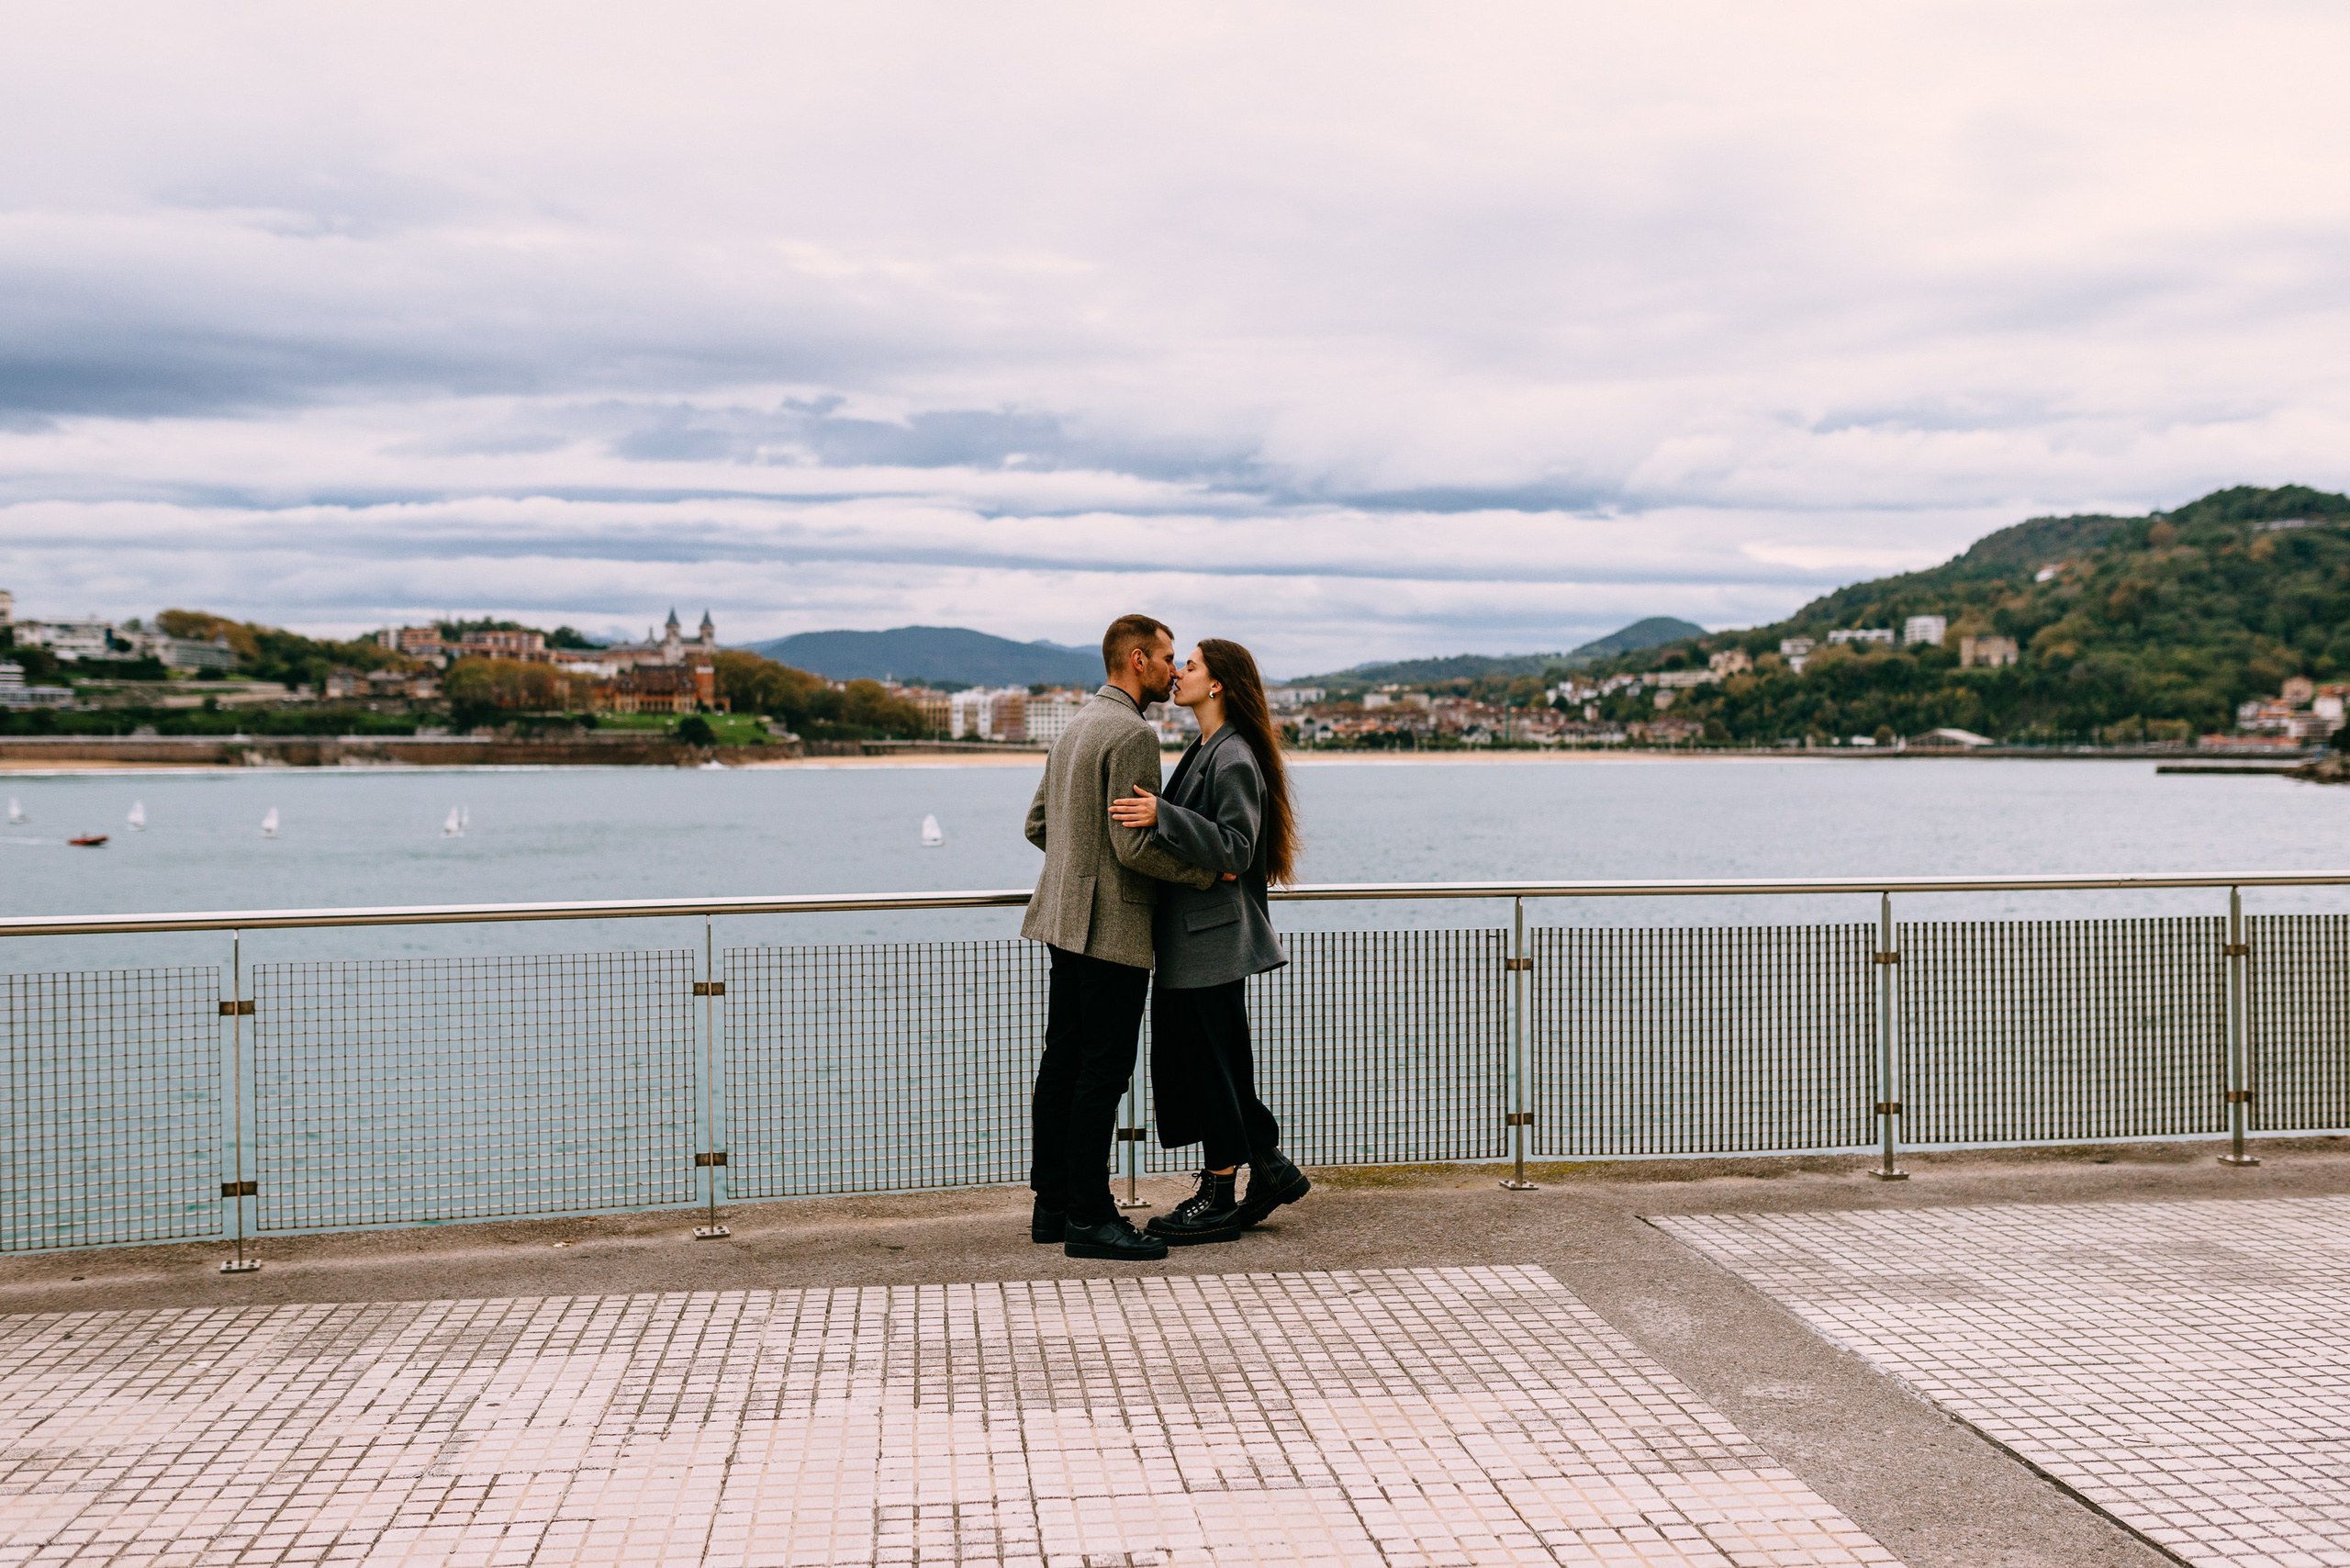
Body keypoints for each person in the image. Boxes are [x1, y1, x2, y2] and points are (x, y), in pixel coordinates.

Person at [1023, 614, 1219, 1260]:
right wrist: (1201, 871)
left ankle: (1051, 1205)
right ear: (1137, 660)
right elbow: (1134, 848)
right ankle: (1089, 1216)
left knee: (1063, 1063)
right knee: (1101, 1075)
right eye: (1167, 657)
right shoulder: (1133, 734)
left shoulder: (1077, 724)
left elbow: (1037, 825)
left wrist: (1079, 867)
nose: (1172, 669)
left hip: (1061, 919)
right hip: (1112, 927)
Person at [1107, 637, 1308, 1245]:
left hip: (1212, 940)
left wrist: (1162, 817)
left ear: (1216, 683)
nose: (1178, 675)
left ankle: (1222, 1194)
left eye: (1189, 666)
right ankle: (1266, 1169)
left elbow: (1238, 849)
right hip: (1199, 937)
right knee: (1217, 1066)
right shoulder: (1206, 747)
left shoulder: (1232, 756)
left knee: (1213, 1069)